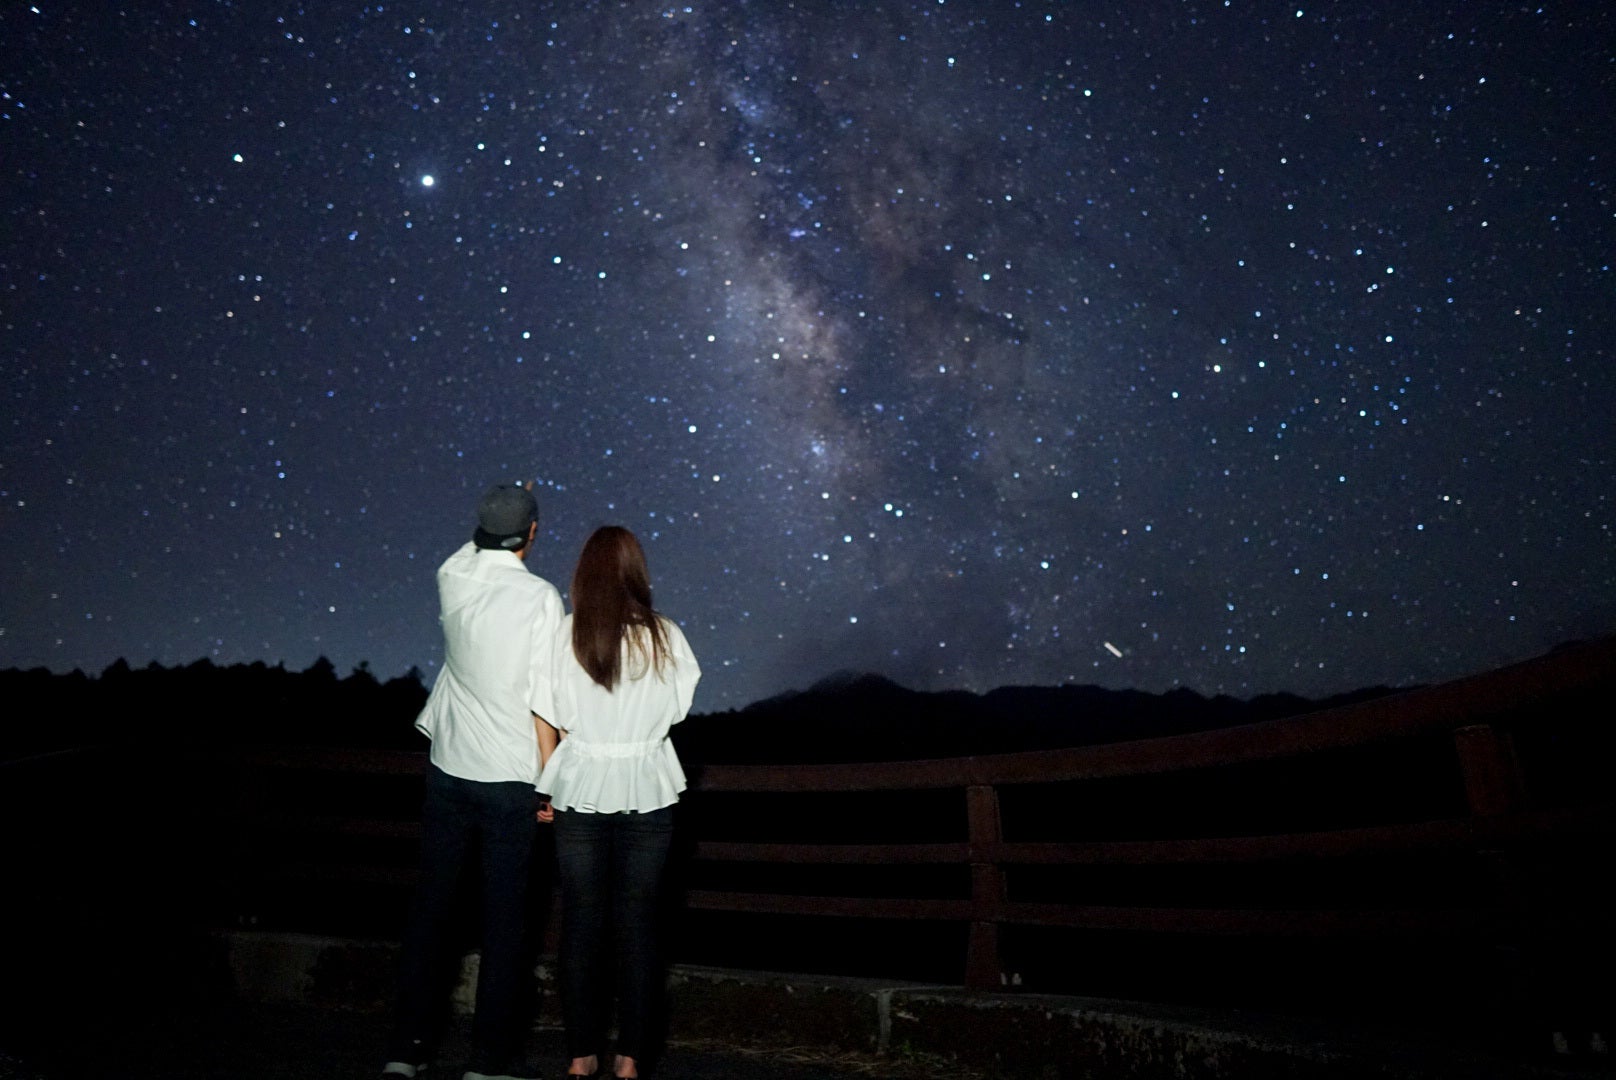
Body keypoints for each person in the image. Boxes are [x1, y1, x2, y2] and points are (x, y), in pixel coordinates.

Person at [384, 482, 564, 1080]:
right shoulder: (540, 598)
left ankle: (405, 1051)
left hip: (449, 772)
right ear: (532, 534)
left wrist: (507, 509)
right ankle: (487, 1061)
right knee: (505, 922)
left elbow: (476, 545)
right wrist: (551, 781)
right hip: (510, 777)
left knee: (432, 910)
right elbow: (544, 700)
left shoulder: (452, 576)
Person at [537, 526, 701, 1080]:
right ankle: (631, 1060)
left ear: (584, 573)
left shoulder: (566, 633)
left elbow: (546, 711)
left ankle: (580, 1057)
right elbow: (677, 711)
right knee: (639, 926)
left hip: (580, 787)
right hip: (647, 787)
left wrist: (548, 781)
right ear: (636, 571)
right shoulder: (665, 636)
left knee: (580, 924)